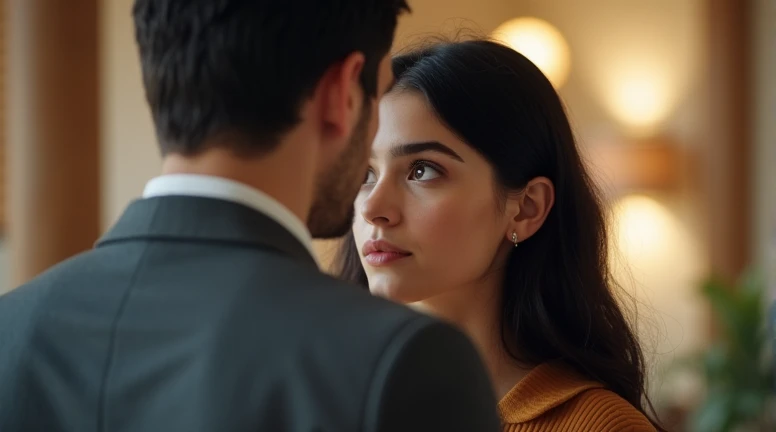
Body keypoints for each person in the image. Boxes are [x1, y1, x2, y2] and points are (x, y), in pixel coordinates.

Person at [0, 2, 501, 431]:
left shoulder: (11, 329)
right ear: (343, 93)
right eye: (378, 95)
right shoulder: (404, 365)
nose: (373, 204)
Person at [335, 39, 663, 431]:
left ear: (527, 208)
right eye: (364, 173)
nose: (373, 208)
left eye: (422, 170)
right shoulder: (331, 402)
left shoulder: (598, 426)